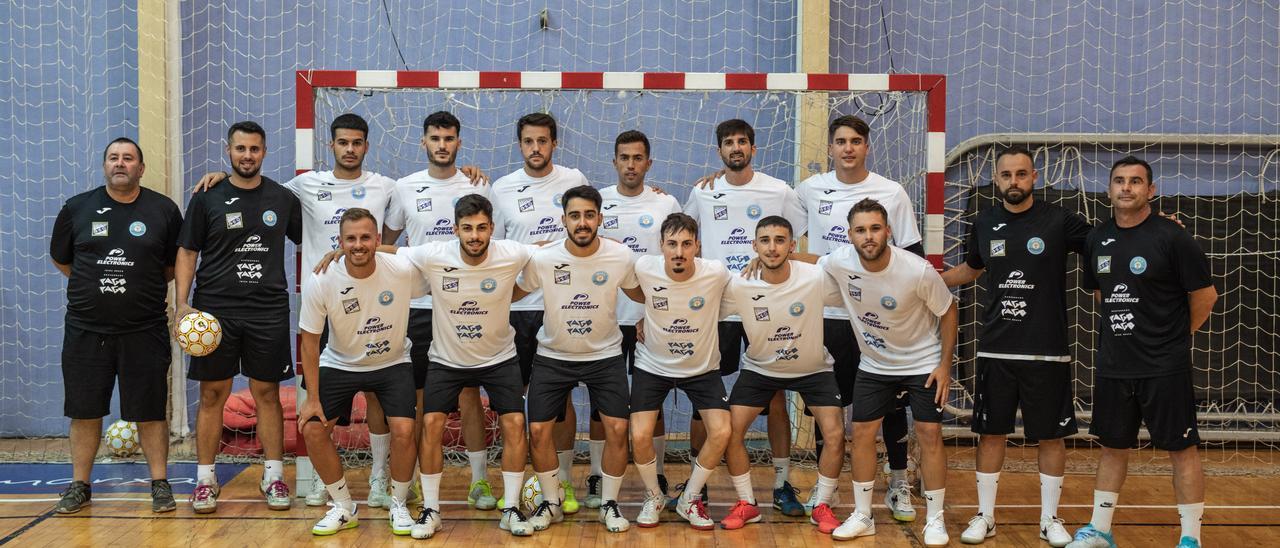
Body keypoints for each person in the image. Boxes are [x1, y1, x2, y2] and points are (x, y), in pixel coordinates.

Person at [194, 113, 486, 507]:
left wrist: (467, 173)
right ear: (331, 146)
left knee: (383, 398)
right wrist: (220, 176)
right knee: (315, 397)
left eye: (357, 142)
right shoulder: (303, 185)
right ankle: (318, 480)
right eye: (343, 142)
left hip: (379, 306)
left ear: (366, 146)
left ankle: (381, 478)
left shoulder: (388, 187)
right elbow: (253, 187)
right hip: (327, 304)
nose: (350, 149)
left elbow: (398, 237)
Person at [941, 147, 1091, 546]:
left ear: (1034, 177)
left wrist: (1155, 226)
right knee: (990, 434)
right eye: (1006, 175)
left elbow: (1108, 240)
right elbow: (972, 269)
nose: (1013, 182)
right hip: (996, 349)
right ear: (997, 179)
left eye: (1021, 174)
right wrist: (928, 279)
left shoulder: (1059, 220)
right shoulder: (985, 222)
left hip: (1047, 350)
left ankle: (1049, 519)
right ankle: (985, 516)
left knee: (1051, 437)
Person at [1067, 157, 1217, 548]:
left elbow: (1205, 295)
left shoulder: (1172, 236)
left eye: (1136, 181)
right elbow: (1101, 291)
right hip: (1115, 364)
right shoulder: (1096, 239)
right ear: (1109, 189)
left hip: (1164, 366)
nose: (1127, 188)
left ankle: (1190, 539)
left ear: (1151, 190)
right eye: (1119, 181)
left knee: (1181, 449)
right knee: (1112, 448)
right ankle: (1100, 531)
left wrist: (1176, 337)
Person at [795, 115, 920, 519]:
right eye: (840, 141)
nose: (848, 148)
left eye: (856, 141)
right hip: (828, 313)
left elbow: (913, 257)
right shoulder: (808, 190)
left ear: (867, 146)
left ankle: (898, 480)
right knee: (826, 402)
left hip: (878, 318)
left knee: (891, 402)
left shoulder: (891, 192)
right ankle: (825, 484)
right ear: (829, 147)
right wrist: (718, 177)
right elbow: (763, 211)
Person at [50, 137, 183, 514]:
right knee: (85, 410)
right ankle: (80, 485)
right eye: (113, 158)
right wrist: (95, 289)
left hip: (145, 329)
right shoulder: (77, 209)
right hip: (86, 330)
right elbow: (64, 261)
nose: (120, 164)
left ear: (141, 168)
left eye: (128, 158)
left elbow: (173, 267)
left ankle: (159, 483)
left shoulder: (164, 210)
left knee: (150, 410)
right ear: (104, 165)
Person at [175, 121, 302, 514]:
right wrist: (181, 304)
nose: (248, 155)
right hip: (216, 310)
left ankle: (274, 476)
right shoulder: (207, 197)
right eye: (240, 149)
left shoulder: (283, 198)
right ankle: (205, 481)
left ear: (265, 152)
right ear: (228, 151)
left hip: (267, 310)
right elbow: (187, 252)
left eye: (255, 149)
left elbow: (308, 243)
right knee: (213, 394)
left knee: (267, 394)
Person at [394, 194, 539, 538]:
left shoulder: (512, 253)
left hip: (499, 358)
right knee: (430, 424)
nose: (475, 235)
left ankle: (512, 508)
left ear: (492, 228)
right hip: (447, 359)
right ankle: (431, 510)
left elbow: (549, 252)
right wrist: (340, 252)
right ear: (456, 229)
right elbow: (389, 254)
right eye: (468, 228)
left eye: (482, 228)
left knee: (516, 424)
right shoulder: (434, 253)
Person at [682, 118, 806, 514]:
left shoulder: (778, 190)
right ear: (719, 151)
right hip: (715, 308)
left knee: (774, 396)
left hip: (766, 307)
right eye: (728, 143)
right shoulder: (703, 191)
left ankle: (783, 484)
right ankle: (696, 488)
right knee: (704, 397)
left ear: (754, 148)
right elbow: (685, 237)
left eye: (742, 142)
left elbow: (795, 241)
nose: (735, 148)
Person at [823, 198, 956, 546]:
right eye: (861, 230)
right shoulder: (839, 261)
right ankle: (863, 515)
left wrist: (944, 365)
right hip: (876, 364)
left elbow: (948, 309)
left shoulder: (917, 269)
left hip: (923, 362)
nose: (869, 236)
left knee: (929, 433)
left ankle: (936, 519)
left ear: (889, 231)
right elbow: (810, 264)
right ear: (850, 235)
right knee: (862, 432)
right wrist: (776, 257)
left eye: (875, 228)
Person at [382, 111, 496, 510]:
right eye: (435, 138)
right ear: (423, 142)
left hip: (466, 305)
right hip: (416, 308)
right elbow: (388, 243)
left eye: (449, 138)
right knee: (416, 400)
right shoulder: (404, 187)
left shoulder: (478, 183)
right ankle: (410, 480)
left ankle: (479, 482)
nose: (442, 145)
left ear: (459, 142)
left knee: (468, 395)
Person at [517, 185, 638, 533]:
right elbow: (512, 292)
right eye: (574, 216)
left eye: (588, 215)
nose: (582, 222)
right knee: (538, 431)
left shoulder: (620, 256)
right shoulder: (543, 258)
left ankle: (610, 503)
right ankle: (550, 503)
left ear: (600, 218)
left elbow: (643, 292)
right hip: (554, 356)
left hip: (604, 356)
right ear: (564, 220)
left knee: (617, 427)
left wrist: (651, 318)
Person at [297, 208, 424, 536]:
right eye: (350, 239)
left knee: (405, 430)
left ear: (378, 240)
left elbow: (440, 262)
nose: (358, 245)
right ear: (339, 242)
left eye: (365, 237)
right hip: (340, 363)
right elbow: (309, 343)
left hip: (393, 363)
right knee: (312, 428)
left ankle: (397, 503)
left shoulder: (401, 268)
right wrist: (312, 398)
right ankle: (343, 506)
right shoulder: (322, 279)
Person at [717, 216, 847, 534]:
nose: (772, 247)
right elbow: (702, 311)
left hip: (813, 369)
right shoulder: (739, 284)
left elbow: (856, 290)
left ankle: (822, 505)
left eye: (779, 240)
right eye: (765, 240)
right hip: (761, 369)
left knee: (835, 434)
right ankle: (748, 503)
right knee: (728, 433)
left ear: (792, 245)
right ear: (754, 246)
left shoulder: (815, 277)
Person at [488, 112, 590, 512]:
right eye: (529, 141)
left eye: (543, 141)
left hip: (559, 306)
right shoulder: (502, 188)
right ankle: (512, 483)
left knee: (557, 396)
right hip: (514, 308)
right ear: (520, 145)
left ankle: (560, 481)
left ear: (554, 143)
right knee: (513, 401)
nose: (536, 148)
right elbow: (492, 249)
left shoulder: (574, 180)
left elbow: (591, 227)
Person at [621, 213, 732, 530]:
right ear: (661, 246)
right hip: (652, 366)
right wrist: (647, 314)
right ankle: (655, 497)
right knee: (640, 434)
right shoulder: (644, 267)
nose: (679, 252)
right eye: (672, 244)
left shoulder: (716, 273)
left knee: (722, 431)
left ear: (698, 246)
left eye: (686, 244)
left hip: (701, 369)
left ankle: (689, 499)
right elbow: (633, 288)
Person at [592, 130, 682, 506]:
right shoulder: (598, 202)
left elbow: (681, 259)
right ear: (614, 161)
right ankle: (598, 478)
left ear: (649, 163)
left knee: (651, 401)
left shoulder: (666, 203)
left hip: (651, 317)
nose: (631, 164)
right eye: (624, 157)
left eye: (638, 157)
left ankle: (656, 473)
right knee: (603, 403)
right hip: (605, 317)